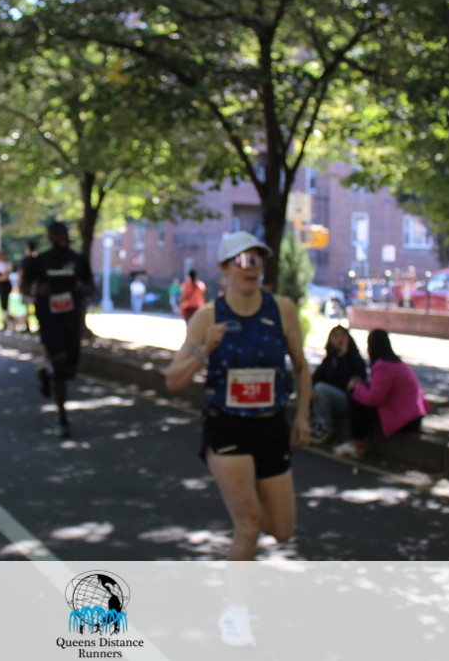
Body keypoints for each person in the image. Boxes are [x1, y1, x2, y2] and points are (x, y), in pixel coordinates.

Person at [165, 231, 311, 647]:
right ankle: (236, 612)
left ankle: (240, 579)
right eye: (242, 260)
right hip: (227, 428)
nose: (251, 267)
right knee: (248, 524)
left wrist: (302, 415)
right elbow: (172, 380)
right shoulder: (207, 317)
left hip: (270, 426)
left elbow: (301, 366)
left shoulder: (281, 309)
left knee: (282, 529)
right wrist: (204, 350)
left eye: (257, 259)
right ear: (224, 269)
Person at [24, 221, 94, 438]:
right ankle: (62, 417)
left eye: (63, 234)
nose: (60, 238)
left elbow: (92, 286)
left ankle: (46, 374)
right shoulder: (39, 262)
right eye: (56, 235)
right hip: (49, 322)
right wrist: (37, 291)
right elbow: (24, 287)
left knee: (69, 369)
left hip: (71, 322)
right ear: (50, 237)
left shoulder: (78, 261)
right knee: (61, 366)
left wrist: (83, 289)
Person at [337, 329, 431, 459]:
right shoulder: (396, 363)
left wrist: (357, 388)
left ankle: (357, 443)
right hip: (413, 416)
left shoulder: (383, 366)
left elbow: (374, 399)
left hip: (403, 419)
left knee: (355, 398)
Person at [310, 325, 368, 443]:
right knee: (315, 390)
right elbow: (316, 377)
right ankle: (316, 425)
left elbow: (354, 379)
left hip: (349, 401)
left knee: (321, 389)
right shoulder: (329, 359)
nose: (340, 339)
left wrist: (343, 356)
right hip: (328, 400)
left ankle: (326, 428)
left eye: (343, 336)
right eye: (336, 336)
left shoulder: (355, 358)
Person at [17, 240, 38, 332]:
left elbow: (20, 274)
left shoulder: (25, 261)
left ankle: (27, 325)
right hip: (35, 286)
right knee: (35, 306)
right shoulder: (38, 260)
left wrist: (19, 285)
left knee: (27, 307)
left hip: (27, 286)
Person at [0, 249, 14, 331]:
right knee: (3, 305)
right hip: (0, 286)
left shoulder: (6, 264)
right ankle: (5, 322)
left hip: (5, 286)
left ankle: (8, 323)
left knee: (5, 305)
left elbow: (5, 276)